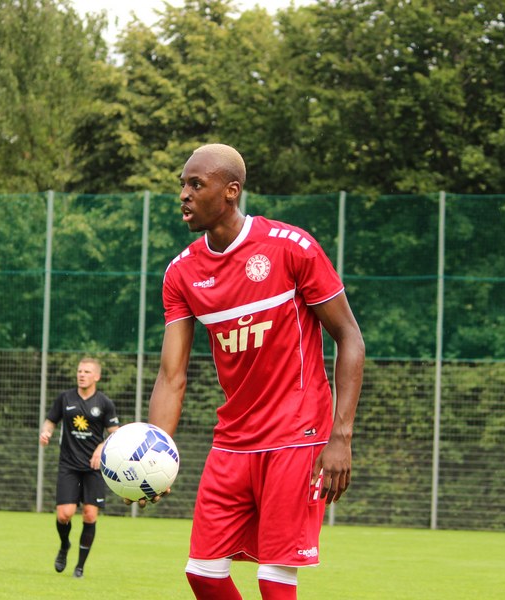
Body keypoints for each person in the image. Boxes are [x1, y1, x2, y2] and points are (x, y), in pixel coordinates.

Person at [147, 143, 365, 600]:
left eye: (196, 184)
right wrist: (156, 454)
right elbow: (171, 376)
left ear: (231, 191)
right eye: (182, 185)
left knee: (274, 579)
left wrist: (340, 436)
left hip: (297, 433)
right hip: (233, 438)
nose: (183, 194)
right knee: (203, 573)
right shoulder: (181, 273)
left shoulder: (291, 248)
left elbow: (350, 337)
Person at [39, 357, 119, 578]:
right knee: (64, 515)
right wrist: (46, 432)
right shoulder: (65, 398)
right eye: (79, 371)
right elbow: (50, 421)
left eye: (87, 371)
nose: (82, 375)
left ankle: (80, 567)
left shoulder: (104, 403)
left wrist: (101, 447)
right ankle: (64, 545)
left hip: (93, 468)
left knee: (90, 515)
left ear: (97, 376)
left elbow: (116, 434)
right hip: (69, 465)